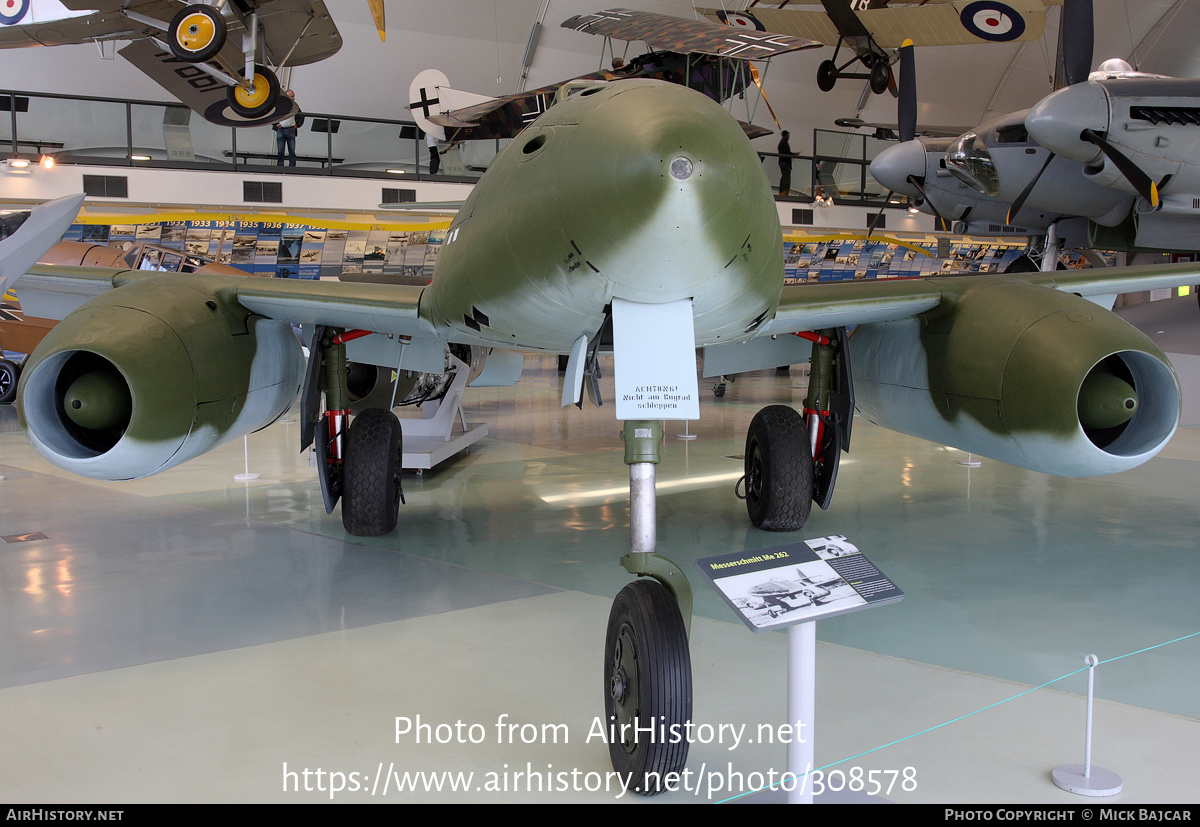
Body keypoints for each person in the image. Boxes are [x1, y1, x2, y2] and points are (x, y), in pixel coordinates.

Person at [274, 90, 298, 167]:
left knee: (292, 150)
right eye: (292, 96)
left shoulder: (295, 106)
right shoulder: (280, 105)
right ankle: (280, 166)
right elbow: (271, 115)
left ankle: (292, 167)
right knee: (280, 151)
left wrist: (297, 124)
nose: (294, 98)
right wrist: (276, 124)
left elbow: (301, 116)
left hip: (291, 130)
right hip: (281, 130)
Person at [777, 130, 792, 197]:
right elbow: (787, 153)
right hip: (785, 162)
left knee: (784, 177)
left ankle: (783, 192)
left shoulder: (781, 143)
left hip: (782, 162)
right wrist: (793, 154)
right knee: (786, 178)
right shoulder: (784, 143)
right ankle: (784, 192)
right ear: (785, 135)